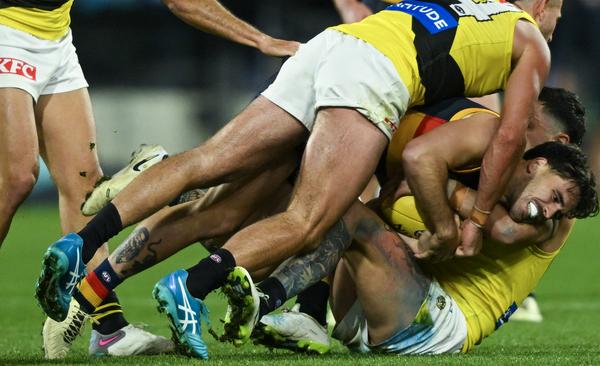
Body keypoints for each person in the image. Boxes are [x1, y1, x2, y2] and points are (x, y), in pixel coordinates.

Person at [36, 0, 562, 354]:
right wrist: (465, 221)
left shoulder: (470, 17)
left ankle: (84, 249)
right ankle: (194, 289)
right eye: (557, 11)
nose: (555, 25)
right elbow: (500, 138)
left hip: (332, 47)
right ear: (539, 7)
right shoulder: (523, 54)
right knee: (313, 219)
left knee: (213, 176)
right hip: (373, 78)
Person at [56, 87, 585, 358]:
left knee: (327, 211)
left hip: (432, 322)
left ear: (550, 150)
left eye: (525, 123)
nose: (511, 127)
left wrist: (442, 204)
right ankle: (178, 207)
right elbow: (400, 199)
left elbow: (495, 226)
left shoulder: (542, 208)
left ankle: (255, 290)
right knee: (246, 209)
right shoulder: (476, 141)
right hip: (373, 304)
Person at [0, 0, 298, 359]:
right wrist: (261, 41)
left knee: (85, 187)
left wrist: (259, 40)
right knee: (17, 176)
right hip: (6, 30)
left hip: (54, 37)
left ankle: (109, 329)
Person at [249, 141, 598, 355]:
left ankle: (266, 299)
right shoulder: (491, 178)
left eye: (560, 207)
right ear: (537, 164)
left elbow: (504, 231)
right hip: (376, 311)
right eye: (554, 198)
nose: (550, 211)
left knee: (352, 215)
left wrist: (432, 179)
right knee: (346, 206)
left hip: (442, 324)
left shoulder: (546, 225)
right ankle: (303, 310)